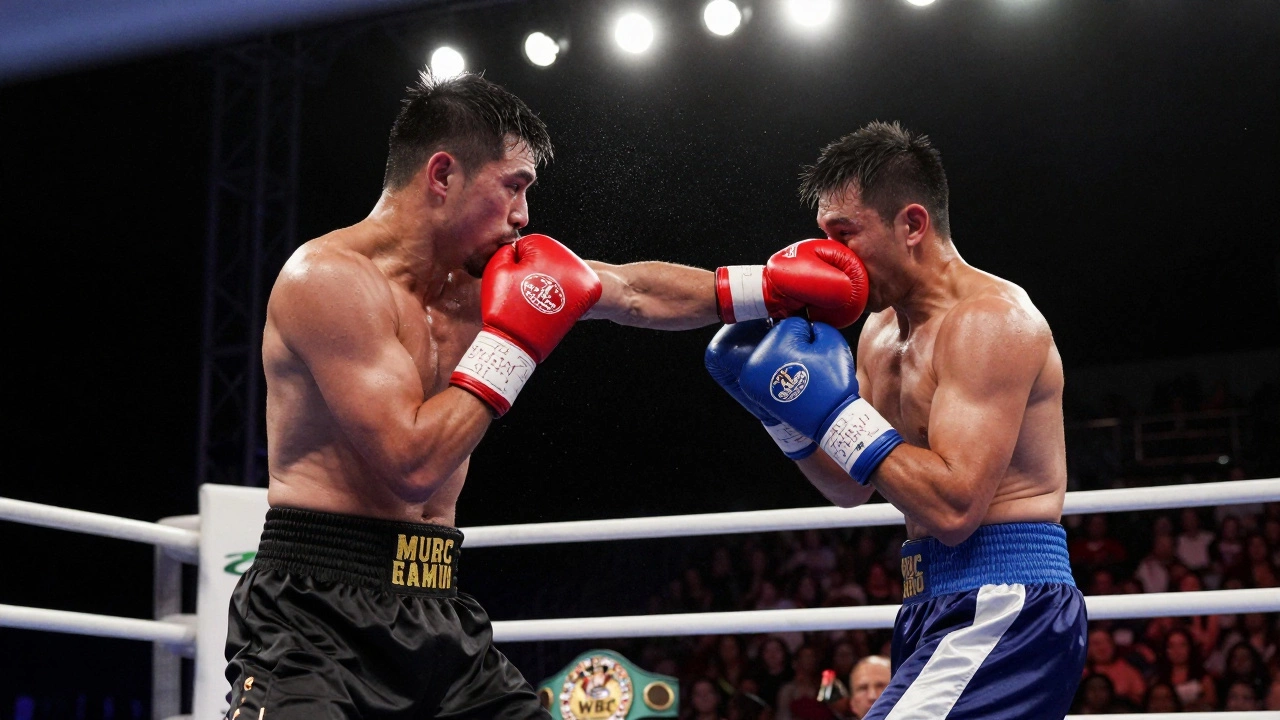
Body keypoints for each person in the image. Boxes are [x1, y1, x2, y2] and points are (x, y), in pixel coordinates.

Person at [224, 69, 871, 719]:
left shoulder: (484, 279)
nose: (523, 216)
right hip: (312, 623)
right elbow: (412, 463)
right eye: (513, 187)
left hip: (436, 607)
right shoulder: (329, 281)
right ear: (442, 175)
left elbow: (633, 293)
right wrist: (512, 345)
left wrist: (776, 287)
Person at [706, 121, 1087, 718]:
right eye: (823, 235)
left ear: (912, 224)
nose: (829, 257)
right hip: (927, 600)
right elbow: (852, 485)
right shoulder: (880, 333)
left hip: (1005, 601)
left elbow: (954, 507)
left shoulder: (990, 322)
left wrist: (835, 411)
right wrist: (777, 411)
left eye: (845, 234)